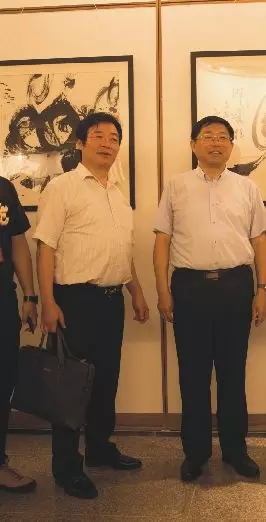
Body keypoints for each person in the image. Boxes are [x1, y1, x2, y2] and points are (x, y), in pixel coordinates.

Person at [34, 112, 150, 500]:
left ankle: (100, 448)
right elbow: (45, 246)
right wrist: (48, 301)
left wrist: (136, 290)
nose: (107, 143)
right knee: (71, 387)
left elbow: (121, 248)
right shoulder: (62, 187)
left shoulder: (116, 192)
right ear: (81, 143)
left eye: (114, 138)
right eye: (98, 136)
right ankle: (67, 468)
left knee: (105, 381)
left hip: (111, 300)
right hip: (74, 301)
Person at [153, 116, 266, 482]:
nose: (216, 142)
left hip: (236, 286)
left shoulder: (247, 188)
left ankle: (235, 450)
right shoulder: (176, 186)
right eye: (208, 136)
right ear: (193, 145)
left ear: (232, 146)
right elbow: (162, 240)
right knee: (193, 374)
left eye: (223, 137)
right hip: (189, 287)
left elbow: (260, 241)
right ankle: (196, 452)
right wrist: (163, 290)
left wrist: (263, 289)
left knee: (233, 373)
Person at [0, 176, 37, 494]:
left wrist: (30, 295)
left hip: (2, 299)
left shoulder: (3, 188)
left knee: (3, 382)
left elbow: (17, 242)